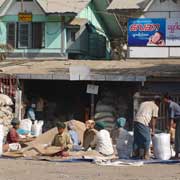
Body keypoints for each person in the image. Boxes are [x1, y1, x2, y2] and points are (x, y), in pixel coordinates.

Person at [163, 94, 180, 159]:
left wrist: (170, 128)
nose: (163, 101)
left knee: (178, 137)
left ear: (166, 99)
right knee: (177, 137)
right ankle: (176, 154)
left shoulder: (171, 105)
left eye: (163, 99)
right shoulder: (171, 105)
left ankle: (176, 155)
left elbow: (171, 118)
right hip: (178, 121)